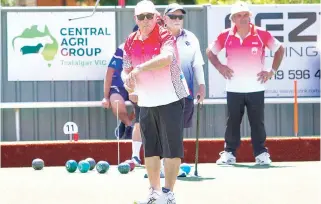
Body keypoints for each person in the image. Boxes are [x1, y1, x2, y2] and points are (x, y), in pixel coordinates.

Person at [122, 1, 189, 203]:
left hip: (171, 98)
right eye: (141, 17)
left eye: (149, 16)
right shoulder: (130, 41)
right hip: (147, 101)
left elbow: (167, 58)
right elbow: (126, 68)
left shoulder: (164, 35)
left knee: (172, 148)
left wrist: (140, 69)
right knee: (150, 148)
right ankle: (154, 193)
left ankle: (168, 194)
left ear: (155, 17)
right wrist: (127, 80)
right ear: (135, 19)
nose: (145, 21)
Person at [206, 1, 284, 165]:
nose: (243, 18)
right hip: (234, 88)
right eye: (239, 16)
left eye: (245, 15)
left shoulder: (261, 34)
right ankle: (229, 154)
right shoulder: (225, 35)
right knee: (233, 122)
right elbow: (210, 52)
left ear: (250, 16)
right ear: (233, 18)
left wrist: (272, 71)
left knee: (257, 122)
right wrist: (220, 66)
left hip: (256, 87)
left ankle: (261, 154)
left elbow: (280, 49)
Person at [151, 3, 206, 179]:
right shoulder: (156, 37)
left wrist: (202, 86)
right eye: (173, 17)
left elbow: (197, 64)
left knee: (176, 132)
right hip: (161, 92)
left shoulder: (191, 38)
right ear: (164, 19)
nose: (177, 20)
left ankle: (172, 166)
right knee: (160, 131)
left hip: (185, 93)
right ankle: (159, 167)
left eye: (180, 17)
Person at [102, 25, 142, 165]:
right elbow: (109, 72)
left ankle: (129, 126)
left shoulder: (151, 46)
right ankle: (129, 125)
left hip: (140, 86)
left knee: (144, 109)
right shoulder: (123, 47)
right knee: (117, 105)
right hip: (119, 85)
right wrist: (105, 97)